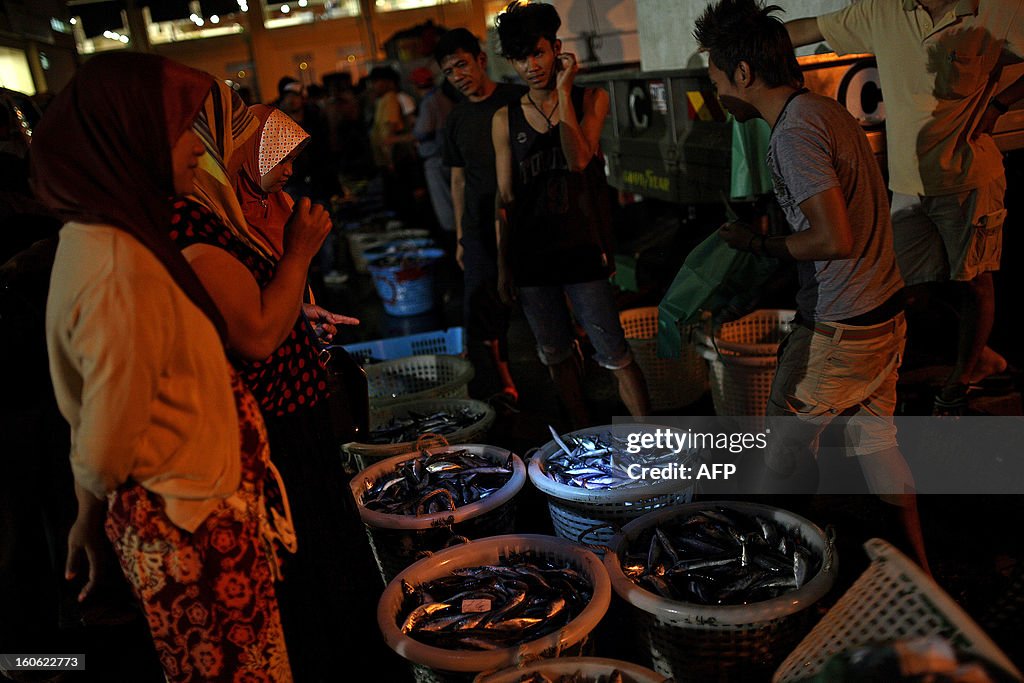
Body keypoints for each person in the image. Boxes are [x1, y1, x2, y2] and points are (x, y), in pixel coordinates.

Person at [33, 53, 293, 681]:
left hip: (196, 515)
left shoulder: (102, 234)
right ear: (128, 138)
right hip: (195, 535)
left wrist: (87, 520)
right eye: (182, 134)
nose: (198, 154)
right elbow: (102, 445)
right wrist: (90, 518)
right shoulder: (119, 269)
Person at [694, 0, 929, 572]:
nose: (716, 93)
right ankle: (920, 571)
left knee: (784, 450)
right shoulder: (821, 111)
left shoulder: (793, 134)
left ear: (743, 75)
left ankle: (782, 575)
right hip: (882, 312)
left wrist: (759, 246)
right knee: (878, 444)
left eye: (717, 78)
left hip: (839, 327)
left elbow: (832, 238)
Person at [177, 96, 392, 683]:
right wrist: (298, 252)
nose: (194, 151)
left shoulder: (222, 209)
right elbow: (254, 335)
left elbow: (263, 304)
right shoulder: (194, 219)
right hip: (270, 423)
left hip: (294, 408)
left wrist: (302, 313)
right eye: (245, 136)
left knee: (327, 544)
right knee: (308, 558)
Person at [785, 0, 1024, 415]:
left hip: (967, 178)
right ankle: (967, 356)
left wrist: (1000, 103)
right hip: (908, 184)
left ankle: (966, 374)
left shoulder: (998, 9)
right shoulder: (884, 10)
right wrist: (739, 42)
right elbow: (808, 29)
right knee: (898, 283)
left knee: (973, 281)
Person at [493, 1, 650, 427]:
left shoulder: (590, 98)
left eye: (538, 53)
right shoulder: (503, 119)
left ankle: (651, 442)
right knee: (556, 354)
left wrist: (563, 93)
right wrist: (504, 264)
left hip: (582, 248)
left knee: (614, 353)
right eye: (520, 58)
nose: (531, 66)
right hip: (531, 256)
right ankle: (583, 436)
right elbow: (505, 197)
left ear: (558, 49)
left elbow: (579, 158)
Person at [436, 28, 525, 407]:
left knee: (532, 299)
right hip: (476, 225)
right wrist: (460, 234)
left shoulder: (516, 100)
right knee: (483, 305)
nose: (457, 76)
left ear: (481, 60)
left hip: (521, 219)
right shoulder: (455, 119)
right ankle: (506, 384)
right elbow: (457, 180)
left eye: (462, 65)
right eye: (449, 71)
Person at [411, 66, 456, 233]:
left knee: (446, 209)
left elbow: (422, 131)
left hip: (436, 159)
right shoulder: (443, 96)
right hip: (449, 156)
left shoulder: (429, 101)